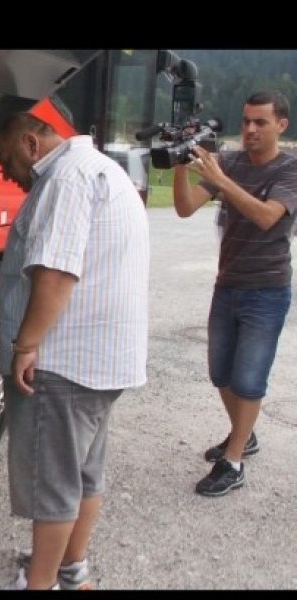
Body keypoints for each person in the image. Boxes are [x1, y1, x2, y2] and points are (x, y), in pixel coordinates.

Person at [0, 112, 149, 590]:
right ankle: (71, 570)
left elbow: (57, 273)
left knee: (53, 487)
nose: (7, 174)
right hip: (102, 359)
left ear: (31, 143)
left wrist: (26, 344)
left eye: (7, 161)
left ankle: (41, 583)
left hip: (65, 362)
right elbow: (80, 265)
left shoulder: (64, 179)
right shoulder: (101, 169)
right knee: (84, 475)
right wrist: (2, 287)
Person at [172, 90, 297, 497]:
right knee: (220, 372)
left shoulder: (290, 170)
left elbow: (266, 217)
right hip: (228, 284)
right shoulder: (232, 161)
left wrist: (223, 180)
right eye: (245, 121)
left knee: (248, 378)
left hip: (268, 289)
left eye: (260, 122)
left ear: (282, 125)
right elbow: (186, 207)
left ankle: (235, 460)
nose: (249, 130)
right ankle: (246, 436)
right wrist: (179, 166)